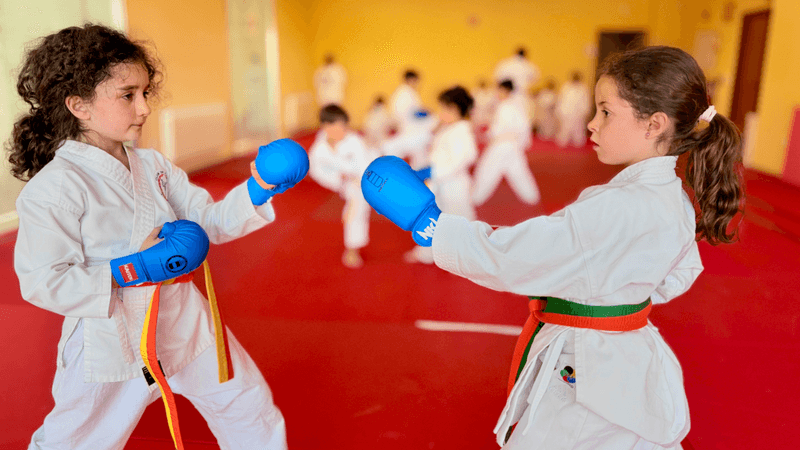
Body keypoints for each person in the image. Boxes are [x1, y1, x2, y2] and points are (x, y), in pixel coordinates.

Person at [361, 46, 743, 449]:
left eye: (606, 112)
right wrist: (615, 292)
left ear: (654, 125)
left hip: (588, 368)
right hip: (630, 351)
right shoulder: (673, 197)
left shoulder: (619, 206)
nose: (592, 124)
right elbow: (677, 276)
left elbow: (518, 257)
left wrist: (432, 227)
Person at [7, 25, 306, 450]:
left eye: (146, 92)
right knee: (75, 441)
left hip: (185, 319)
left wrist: (260, 187)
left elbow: (208, 220)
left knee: (247, 405)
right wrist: (133, 268)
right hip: (114, 336)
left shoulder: (153, 165)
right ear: (79, 106)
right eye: (128, 95)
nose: (144, 107)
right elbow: (43, 281)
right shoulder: (56, 186)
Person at [404, 86, 478, 264]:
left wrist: (432, 171)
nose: (440, 112)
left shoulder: (462, 131)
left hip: (454, 186)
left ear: (453, 109)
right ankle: (427, 253)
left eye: (443, 108)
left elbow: (465, 157)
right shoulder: (449, 128)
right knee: (434, 219)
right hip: (440, 183)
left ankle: (473, 254)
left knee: (461, 221)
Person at [308, 104, 376, 268]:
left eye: (343, 126)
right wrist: (340, 178)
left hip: (370, 172)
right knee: (355, 204)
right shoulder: (318, 149)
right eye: (337, 127)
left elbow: (364, 167)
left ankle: (352, 249)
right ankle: (352, 246)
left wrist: (358, 180)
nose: (342, 131)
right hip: (344, 181)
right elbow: (316, 172)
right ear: (325, 126)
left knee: (357, 206)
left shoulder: (354, 141)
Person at [472, 80, 540, 206]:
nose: (496, 93)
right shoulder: (514, 106)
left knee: (486, 170)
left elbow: (498, 130)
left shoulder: (506, 107)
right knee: (518, 172)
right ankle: (532, 197)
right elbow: (524, 127)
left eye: (498, 90)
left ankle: (475, 197)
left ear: (504, 90)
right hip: (512, 145)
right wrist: (522, 143)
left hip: (502, 145)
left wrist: (488, 134)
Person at [382, 69, 437, 169]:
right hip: (411, 128)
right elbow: (414, 113)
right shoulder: (407, 93)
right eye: (416, 81)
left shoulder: (399, 93)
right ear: (412, 80)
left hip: (406, 128)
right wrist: (428, 112)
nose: (417, 84)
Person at [494, 47, 539, 118]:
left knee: (505, 118)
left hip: (506, 96)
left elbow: (497, 79)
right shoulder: (529, 66)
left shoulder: (505, 64)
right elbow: (535, 79)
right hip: (521, 98)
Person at [555, 71, 592, 148]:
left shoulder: (583, 88)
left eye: (577, 76)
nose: (575, 77)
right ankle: (563, 140)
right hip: (566, 111)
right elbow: (561, 99)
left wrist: (586, 111)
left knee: (579, 128)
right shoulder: (566, 86)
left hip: (578, 113)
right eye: (574, 76)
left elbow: (586, 100)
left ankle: (578, 141)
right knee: (565, 127)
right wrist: (559, 110)